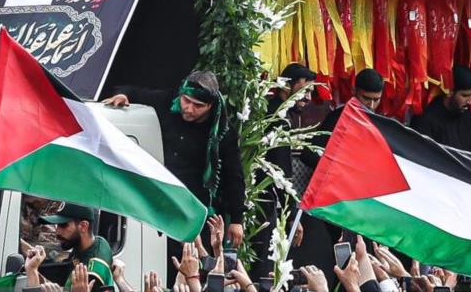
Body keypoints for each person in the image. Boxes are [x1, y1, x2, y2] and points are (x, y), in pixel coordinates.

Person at [102, 71, 245, 283]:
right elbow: (132, 91)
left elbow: (233, 176)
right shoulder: (167, 103)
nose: (188, 108)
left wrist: (237, 220)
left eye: (198, 105)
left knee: (196, 270)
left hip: (198, 210)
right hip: (162, 205)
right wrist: (123, 96)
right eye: (186, 101)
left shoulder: (221, 134)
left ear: (210, 106)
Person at [250, 63, 316, 279]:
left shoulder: (273, 112)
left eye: (310, 94)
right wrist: (290, 216)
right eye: (304, 92)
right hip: (263, 200)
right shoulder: (276, 118)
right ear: (286, 87)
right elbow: (280, 171)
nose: (307, 99)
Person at [410, 65, 471, 152]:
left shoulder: (466, 116)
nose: (470, 101)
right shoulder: (425, 120)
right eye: (465, 95)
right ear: (449, 92)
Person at [39, 203, 113, 266]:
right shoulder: (88, 244)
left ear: (83, 226)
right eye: (57, 225)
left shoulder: (92, 266)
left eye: (63, 225)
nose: (57, 232)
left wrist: (32, 270)